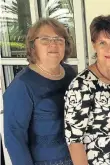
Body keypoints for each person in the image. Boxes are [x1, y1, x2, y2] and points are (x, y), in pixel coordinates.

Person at [3, 18, 76, 165]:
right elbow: (14, 140)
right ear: (32, 46)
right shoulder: (22, 85)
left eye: (59, 39)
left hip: (77, 157)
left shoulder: (70, 74)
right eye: (45, 39)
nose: (53, 44)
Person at [64, 15, 110, 165]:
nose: (109, 49)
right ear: (94, 45)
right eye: (102, 43)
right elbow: (75, 142)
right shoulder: (81, 85)